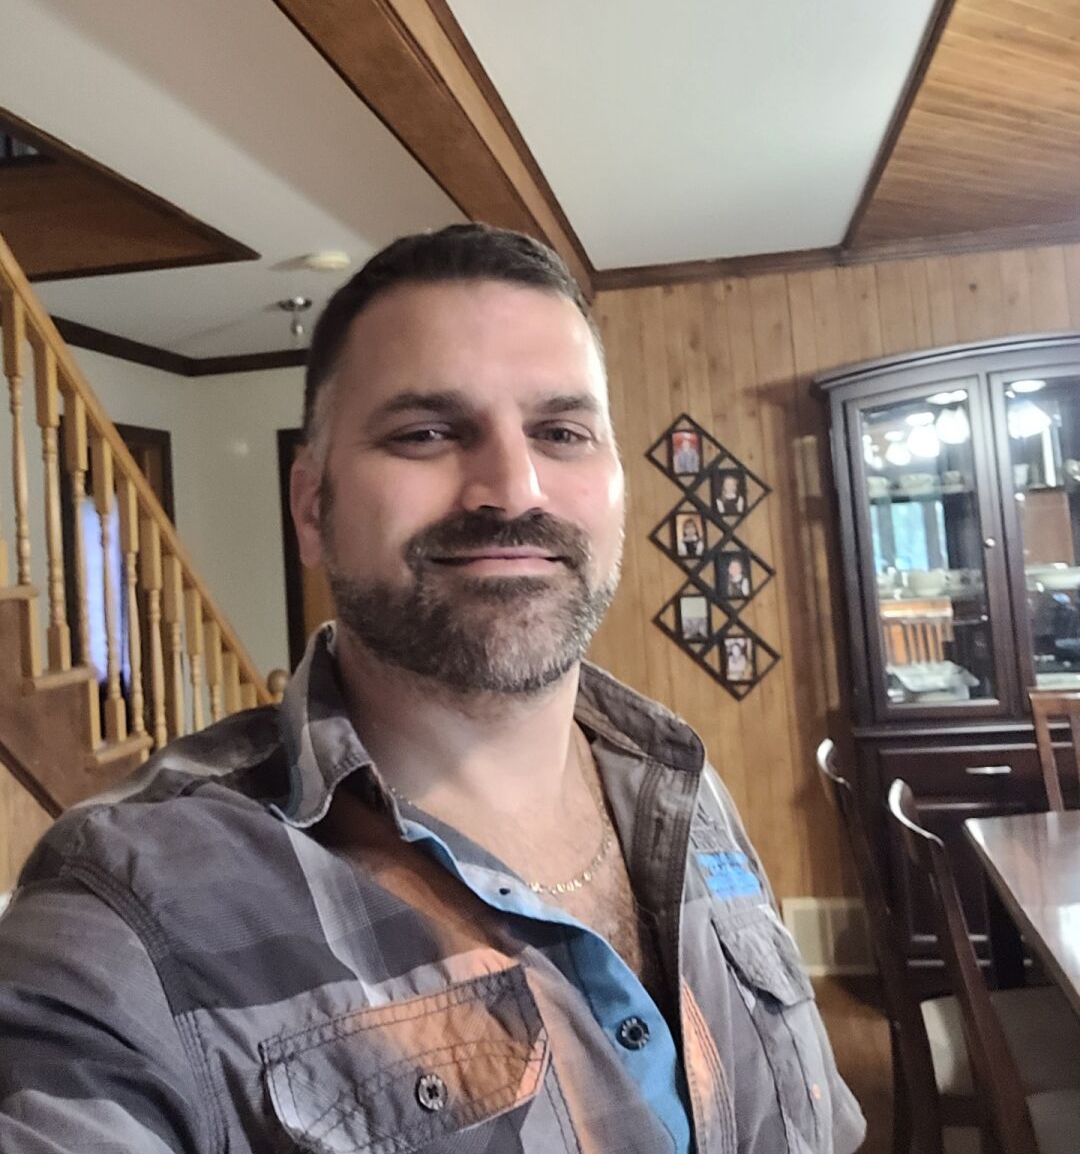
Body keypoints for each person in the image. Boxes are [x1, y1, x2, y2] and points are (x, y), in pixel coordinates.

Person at [0, 224, 864, 1153]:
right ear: (311, 508)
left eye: (561, 433)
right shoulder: (132, 907)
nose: (513, 489)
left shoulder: (684, 793)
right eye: (426, 433)